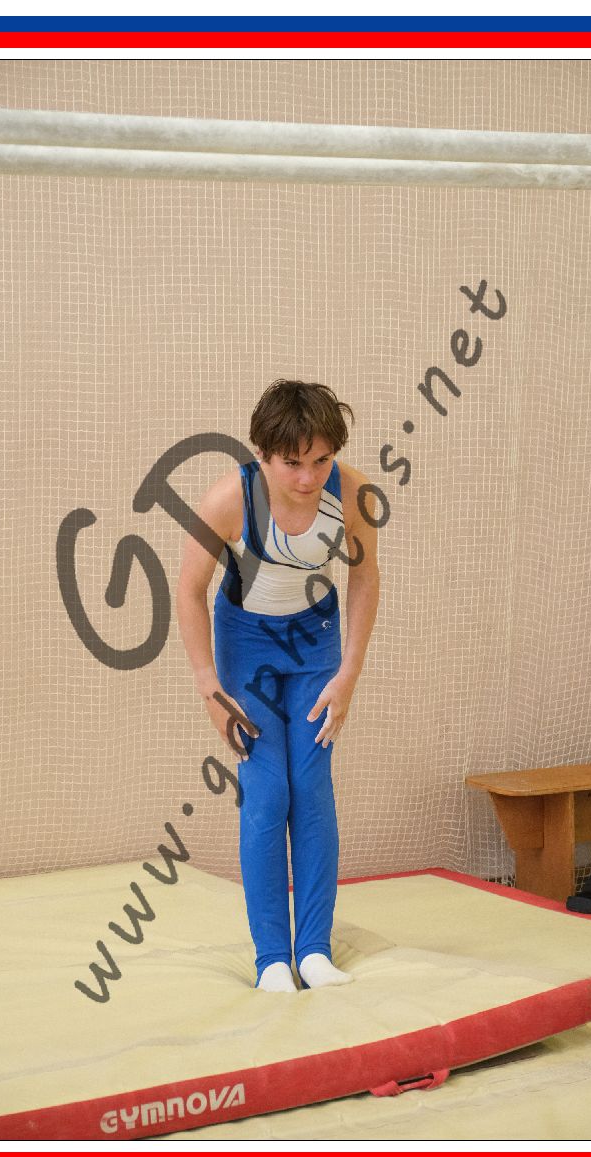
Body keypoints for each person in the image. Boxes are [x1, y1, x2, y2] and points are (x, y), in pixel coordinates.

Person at [176, 380, 380, 992]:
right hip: (247, 648)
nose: (309, 478)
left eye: (321, 460)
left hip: (316, 641)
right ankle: (271, 958)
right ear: (262, 454)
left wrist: (348, 673)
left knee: (311, 787)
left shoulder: (352, 492)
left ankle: (313, 950)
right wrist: (210, 687)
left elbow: (365, 579)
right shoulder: (229, 500)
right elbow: (189, 589)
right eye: (292, 463)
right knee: (268, 794)